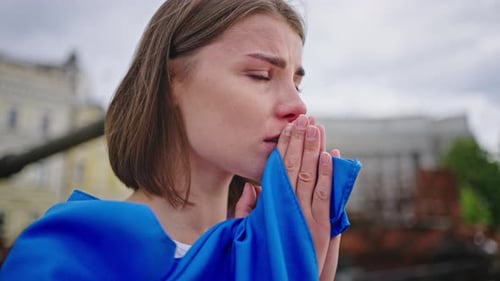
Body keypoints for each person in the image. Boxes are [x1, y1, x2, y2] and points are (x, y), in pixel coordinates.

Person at [0, 0, 361, 280]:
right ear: (172, 81)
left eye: (297, 83)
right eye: (261, 75)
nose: (297, 105)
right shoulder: (65, 255)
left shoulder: (276, 246)